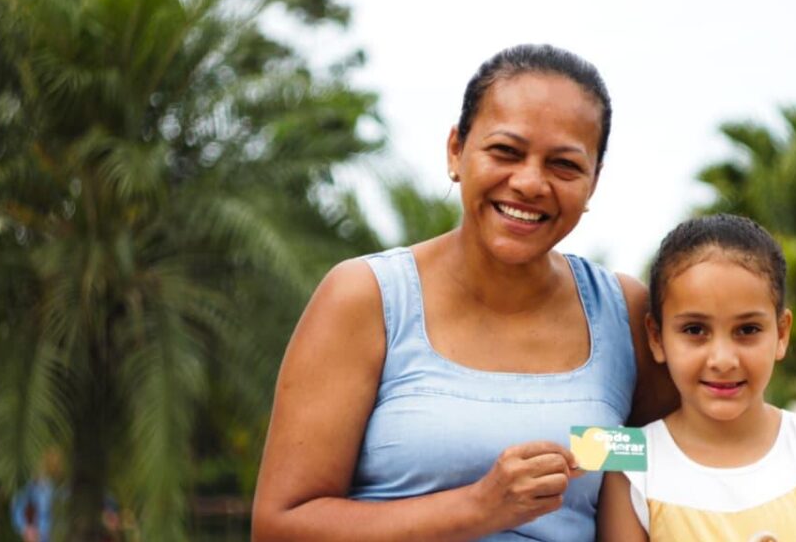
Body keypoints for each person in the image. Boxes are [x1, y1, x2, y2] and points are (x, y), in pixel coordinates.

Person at [251, 44, 674, 541]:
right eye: (506, 151)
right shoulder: (366, 298)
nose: (530, 183)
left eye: (563, 165)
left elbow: (683, 469)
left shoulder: (624, 313)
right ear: (456, 150)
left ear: (593, 182)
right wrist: (477, 507)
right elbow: (278, 528)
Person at [597, 214, 796, 541]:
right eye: (695, 330)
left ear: (781, 333)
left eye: (748, 330)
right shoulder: (630, 467)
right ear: (656, 337)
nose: (723, 360)